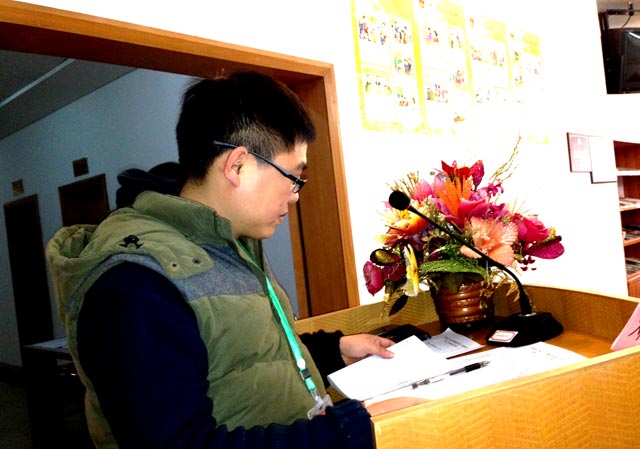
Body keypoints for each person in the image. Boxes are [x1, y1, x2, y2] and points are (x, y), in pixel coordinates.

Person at [46, 71, 421, 449]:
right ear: (237, 165)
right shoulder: (135, 284)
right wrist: (353, 429)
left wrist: (333, 349)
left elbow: (239, 354)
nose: (295, 195)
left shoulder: (226, 241)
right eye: (293, 176)